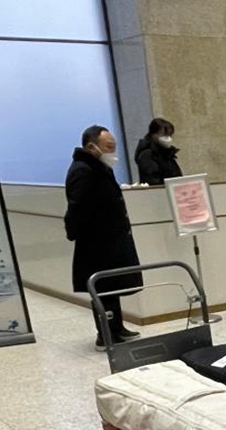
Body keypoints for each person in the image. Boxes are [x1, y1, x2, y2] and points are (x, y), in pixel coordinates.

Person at [64, 125, 143, 350]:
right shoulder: (83, 170)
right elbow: (77, 209)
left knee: (113, 287)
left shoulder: (98, 167)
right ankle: (105, 334)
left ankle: (117, 328)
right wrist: (80, 234)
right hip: (97, 243)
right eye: (109, 147)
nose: (113, 151)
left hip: (111, 239)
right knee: (103, 289)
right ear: (92, 146)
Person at [134, 118, 182, 185]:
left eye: (170, 135)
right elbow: (152, 180)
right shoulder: (147, 155)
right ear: (153, 134)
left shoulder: (168, 154)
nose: (168, 138)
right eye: (163, 135)